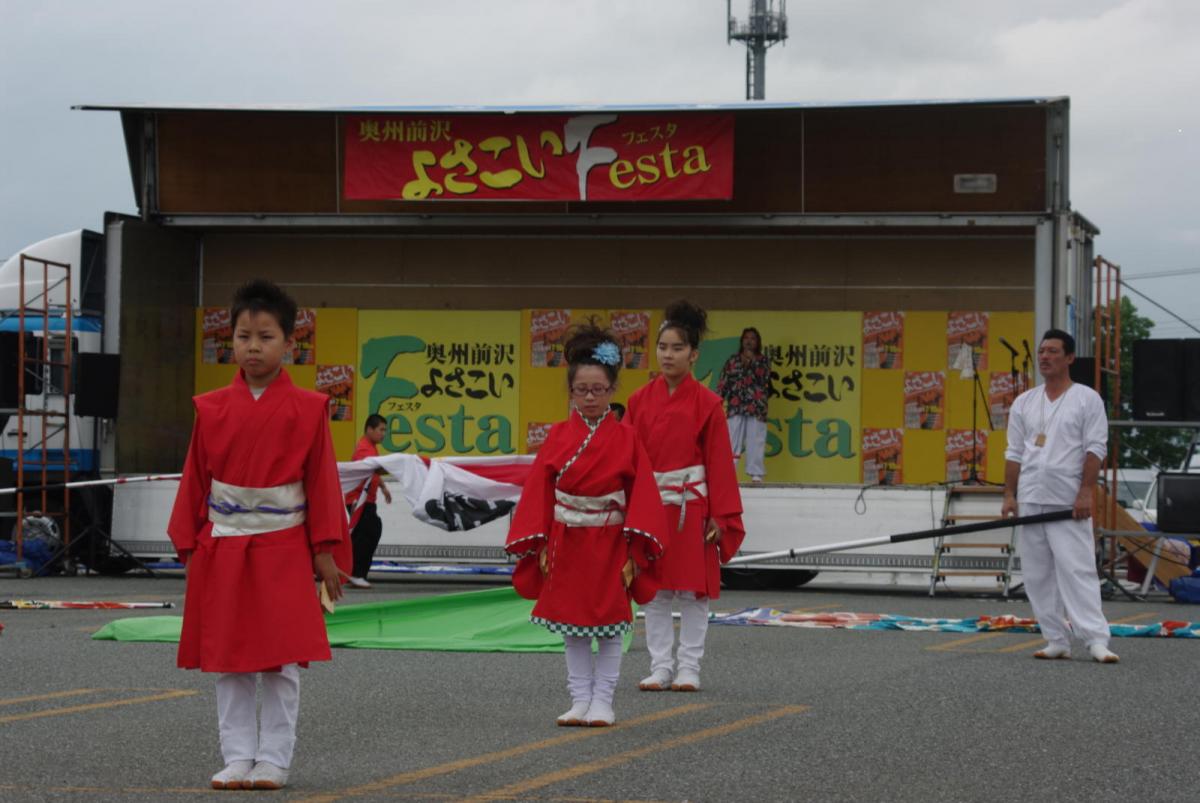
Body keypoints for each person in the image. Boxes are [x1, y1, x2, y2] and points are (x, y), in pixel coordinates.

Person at [167, 279, 351, 790]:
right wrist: (191, 543)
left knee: (280, 660)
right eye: (244, 335)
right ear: (232, 338)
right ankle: (236, 756)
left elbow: (320, 482)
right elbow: (195, 480)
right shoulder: (210, 407)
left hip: (284, 546)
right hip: (224, 543)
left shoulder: (310, 408)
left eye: (265, 336)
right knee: (229, 659)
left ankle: (274, 759)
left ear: (289, 343)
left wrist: (325, 552)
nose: (253, 346)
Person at [505, 323, 668, 727]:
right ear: (571, 392)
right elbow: (540, 492)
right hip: (566, 542)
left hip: (610, 541)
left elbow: (643, 497)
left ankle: (604, 701)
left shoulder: (628, 438)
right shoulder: (559, 435)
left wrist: (634, 550)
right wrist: (539, 543)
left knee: (610, 624)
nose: (590, 398)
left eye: (598, 390)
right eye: (582, 390)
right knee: (573, 626)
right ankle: (579, 699)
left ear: (612, 391)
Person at [626, 300, 745, 692]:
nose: (668, 355)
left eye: (677, 348)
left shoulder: (708, 403)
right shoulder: (639, 401)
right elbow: (627, 455)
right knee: (655, 589)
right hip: (651, 505)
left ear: (694, 355)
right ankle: (661, 666)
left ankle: (690, 667)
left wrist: (720, 515)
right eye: (663, 347)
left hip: (691, 505)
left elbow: (719, 463)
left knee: (693, 591)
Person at [1001, 329, 1118, 664]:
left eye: (1052, 351)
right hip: (1032, 496)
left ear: (1069, 358)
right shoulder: (1024, 401)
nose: (1044, 357)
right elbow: (1014, 453)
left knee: (1077, 569)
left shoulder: (1086, 398)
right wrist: (1010, 494)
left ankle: (1096, 639)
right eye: (1041, 351)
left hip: (1068, 501)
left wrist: (1086, 493)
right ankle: (1055, 638)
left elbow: (1095, 449)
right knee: (1037, 574)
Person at [716, 326, 771, 482]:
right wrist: (717, 401)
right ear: (742, 341)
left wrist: (751, 361)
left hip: (756, 406)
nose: (749, 341)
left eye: (752, 338)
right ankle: (728, 473)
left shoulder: (763, 361)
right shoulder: (732, 360)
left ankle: (756, 474)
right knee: (731, 440)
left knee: (756, 439)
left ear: (757, 342)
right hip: (736, 405)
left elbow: (764, 379)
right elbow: (723, 382)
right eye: (746, 338)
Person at [345, 414, 393, 588]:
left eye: (385, 430)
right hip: (359, 502)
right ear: (369, 429)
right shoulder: (364, 449)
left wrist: (383, 486)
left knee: (362, 536)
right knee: (369, 533)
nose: (383, 434)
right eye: (381, 429)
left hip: (366, 501)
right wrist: (401, 465)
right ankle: (356, 574)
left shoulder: (371, 447)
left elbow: (373, 471)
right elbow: (375, 467)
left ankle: (353, 572)